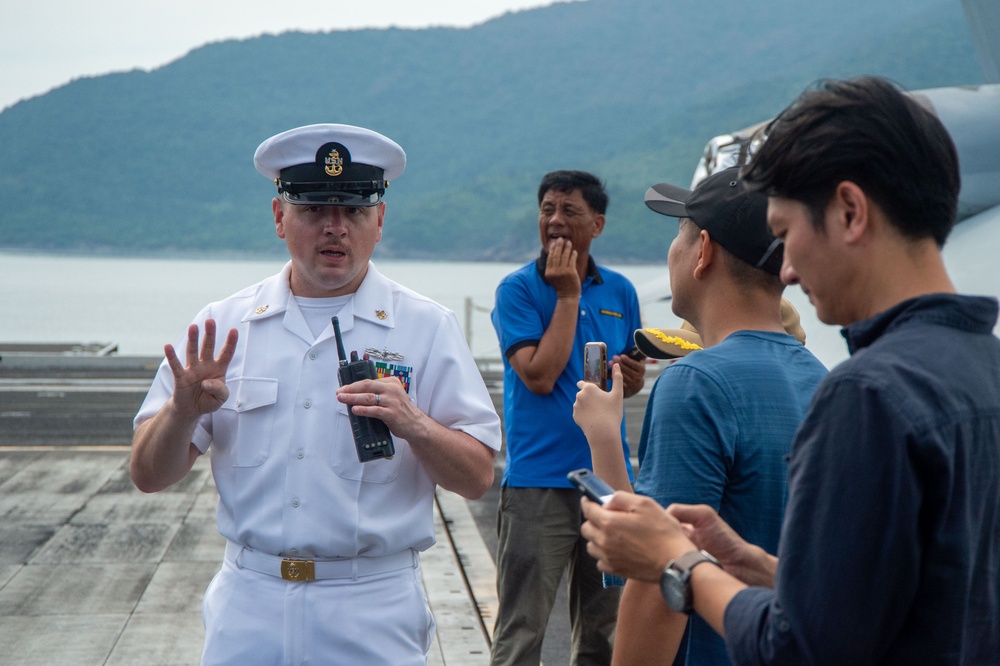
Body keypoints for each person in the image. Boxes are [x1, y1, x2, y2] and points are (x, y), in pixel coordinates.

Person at [579, 76, 1000, 664]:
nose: (789, 271)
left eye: (786, 235)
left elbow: (804, 644)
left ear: (850, 211)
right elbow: (915, 602)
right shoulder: (983, 368)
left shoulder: (869, 393)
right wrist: (762, 568)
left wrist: (680, 563)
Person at [130, 123, 502, 666]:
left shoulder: (426, 327)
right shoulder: (224, 326)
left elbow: (476, 478)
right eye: (313, 211)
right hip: (249, 604)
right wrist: (181, 413)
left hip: (371, 604)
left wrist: (414, 424)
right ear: (280, 217)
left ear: (380, 220)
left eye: (353, 211)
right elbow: (148, 474)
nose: (335, 228)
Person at [573, 167, 827, 666]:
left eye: (679, 236)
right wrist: (606, 435)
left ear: (703, 252)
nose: (674, 252)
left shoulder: (697, 383)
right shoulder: (825, 380)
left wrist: (603, 439)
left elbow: (659, 572)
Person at [489, 170, 646, 665]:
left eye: (570, 212)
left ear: (597, 224)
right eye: (547, 210)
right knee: (522, 632)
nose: (555, 221)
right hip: (538, 484)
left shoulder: (620, 291)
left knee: (603, 634)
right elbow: (537, 375)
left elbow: (624, 382)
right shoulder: (518, 289)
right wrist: (568, 295)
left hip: (606, 484)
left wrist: (633, 375)